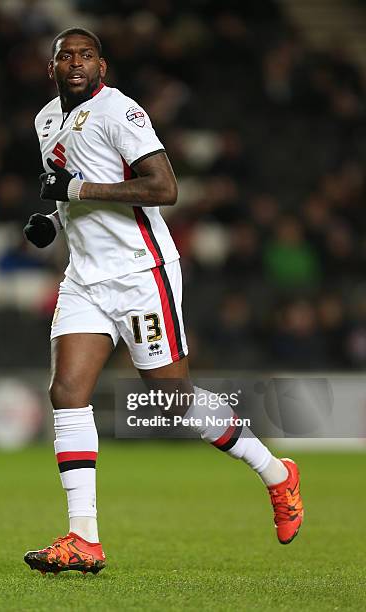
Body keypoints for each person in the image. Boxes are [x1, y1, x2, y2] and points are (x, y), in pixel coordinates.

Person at [23, 27, 304, 576]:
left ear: (101, 67)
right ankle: (85, 538)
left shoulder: (121, 112)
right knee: (66, 391)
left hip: (140, 274)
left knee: (173, 400)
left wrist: (78, 192)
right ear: (51, 68)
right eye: (65, 55)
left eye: (86, 55)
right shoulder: (45, 120)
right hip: (84, 277)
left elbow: (163, 188)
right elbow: (69, 187)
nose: (75, 63)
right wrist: (51, 220)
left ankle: (276, 473)